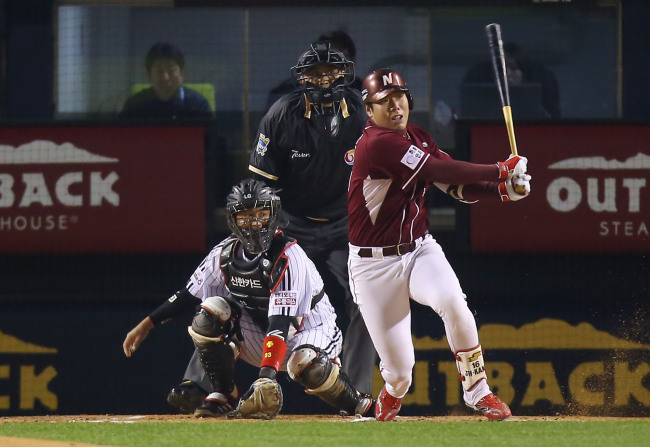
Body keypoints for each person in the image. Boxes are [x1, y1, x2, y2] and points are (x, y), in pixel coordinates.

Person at [348, 69, 532, 421]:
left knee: (453, 302)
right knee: (401, 372)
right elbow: (437, 171)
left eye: (399, 96)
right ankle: (391, 395)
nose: (395, 105)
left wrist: (504, 191)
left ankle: (478, 391)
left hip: (418, 250)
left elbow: (455, 186)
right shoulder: (375, 143)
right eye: (383, 101)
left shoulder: (418, 136)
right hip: (373, 266)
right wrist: (500, 169)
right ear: (369, 111)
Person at [123, 179, 375, 419]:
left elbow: (280, 323)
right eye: (245, 216)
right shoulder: (224, 253)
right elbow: (189, 294)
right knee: (209, 313)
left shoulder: (289, 256)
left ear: (273, 215)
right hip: (260, 331)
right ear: (233, 220)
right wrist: (147, 324)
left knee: (308, 366)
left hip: (308, 330)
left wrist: (266, 377)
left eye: (261, 215)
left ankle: (357, 404)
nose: (254, 223)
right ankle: (223, 393)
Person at [249, 42, 377, 398]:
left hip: (344, 225)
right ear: (302, 78)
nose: (324, 81)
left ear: (344, 74)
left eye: (331, 73)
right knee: (244, 292)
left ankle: (351, 393)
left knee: (367, 301)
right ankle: (206, 387)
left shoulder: (363, 111)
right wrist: (268, 235)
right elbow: (261, 185)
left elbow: (387, 166)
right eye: (316, 74)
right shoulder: (280, 115)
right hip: (292, 224)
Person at [265, 30, 363, 109]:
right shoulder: (295, 93)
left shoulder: (365, 93)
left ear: (352, 61)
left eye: (340, 58)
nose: (333, 64)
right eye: (326, 58)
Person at [462, 41, 560, 118]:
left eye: (513, 68)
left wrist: (520, 90)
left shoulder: (542, 81)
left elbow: (547, 119)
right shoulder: (480, 93)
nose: (507, 74)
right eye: (501, 70)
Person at [120, 42, 213, 120]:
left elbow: (209, 138)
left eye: (171, 71)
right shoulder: (135, 105)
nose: (165, 78)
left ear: (181, 74)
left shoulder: (198, 104)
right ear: (149, 75)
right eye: (159, 71)